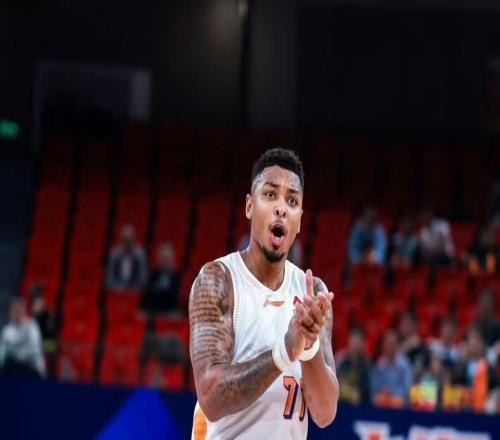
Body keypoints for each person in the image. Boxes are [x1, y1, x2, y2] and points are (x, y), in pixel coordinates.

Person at [189, 148, 339, 439]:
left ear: (299, 220)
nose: (281, 208)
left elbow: (324, 414)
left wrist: (309, 348)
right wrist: (285, 351)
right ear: (249, 206)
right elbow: (211, 398)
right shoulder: (218, 281)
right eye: (270, 195)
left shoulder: (313, 293)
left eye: (292, 201)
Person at [0, 297, 46, 378]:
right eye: (14, 311)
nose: (16, 314)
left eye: (18, 311)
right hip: (13, 368)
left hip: (32, 368)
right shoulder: (7, 331)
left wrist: (15, 355)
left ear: (23, 311)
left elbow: (34, 350)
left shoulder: (32, 326)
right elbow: (2, 353)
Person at [371, 329, 412, 408]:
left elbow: (407, 389)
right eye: (388, 344)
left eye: (393, 344)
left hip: (400, 407)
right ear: (384, 346)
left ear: (397, 346)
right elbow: (374, 391)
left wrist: (393, 397)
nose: (391, 347)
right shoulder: (379, 365)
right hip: (382, 406)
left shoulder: (404, 365)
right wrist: (383, 395)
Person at [142, 242, 181, 315]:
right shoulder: (153, 276)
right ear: (159, 260)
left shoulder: (177, 277)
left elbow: (176, 298)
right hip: (154, 312)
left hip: (170, 312)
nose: (165, 262)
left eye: (167, 259)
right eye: (163, 259)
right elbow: (147, 296)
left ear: (172, 260)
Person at [106, 223, 148, 290]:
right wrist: (120, 287)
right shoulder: (114, 255)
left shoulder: (140, 255)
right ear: (121, 239)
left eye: (129, 239)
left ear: (134, 239)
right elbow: (109, 280)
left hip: (135, 292)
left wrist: (129, 288)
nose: (127, 242)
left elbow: (143, 280)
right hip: (117, 291)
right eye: (125, 239)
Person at [336, 327, 371, 405]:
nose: (355, 346)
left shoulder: (367, 365)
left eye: (357, 342)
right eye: (352, 342)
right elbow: (337, 383)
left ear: (363, 344)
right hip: (341, 404)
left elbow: (366, 390)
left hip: (361, 406)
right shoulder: (342, 361)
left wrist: (353, 393)